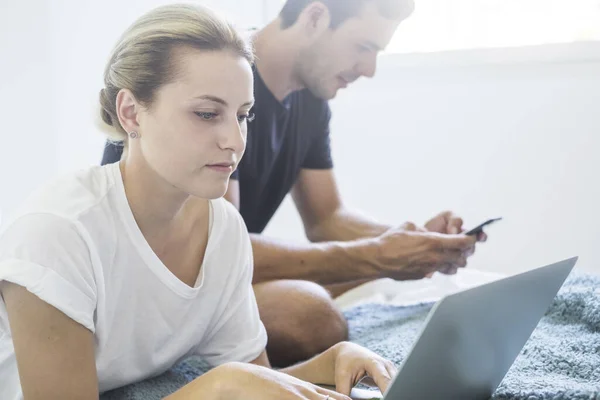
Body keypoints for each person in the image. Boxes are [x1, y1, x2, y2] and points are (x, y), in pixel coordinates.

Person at [0, 4, 399, 400]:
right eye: (207, 114)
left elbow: (259, 377)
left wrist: (329, 365)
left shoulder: (222, 228)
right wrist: (221, 385)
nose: (235, 141)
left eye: (244, 115)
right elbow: (235, 383)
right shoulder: (58, 232)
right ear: (131, 113)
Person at [102, 0, 486, 368]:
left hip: (215, 276)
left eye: (244, 116)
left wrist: (413, 244)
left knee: (322, 298)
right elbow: (213, 248)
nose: (369, 68)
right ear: (315, 18)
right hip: (161, 282)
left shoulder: (310, 101)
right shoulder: (220, 76)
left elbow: (327, 218)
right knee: (309, 311)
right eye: (363, 46)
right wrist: (376, 256)